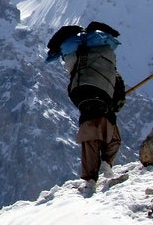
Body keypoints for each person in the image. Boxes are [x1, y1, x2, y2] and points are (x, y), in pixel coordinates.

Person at [46, 21, 125, 191]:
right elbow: (118, 91)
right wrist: (116, 101)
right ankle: (105, 164)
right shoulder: (109, 70)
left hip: (79, 92)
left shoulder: (78, 58)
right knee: (111, 133)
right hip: (102, 95)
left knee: (90, 132)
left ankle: (91, 176)